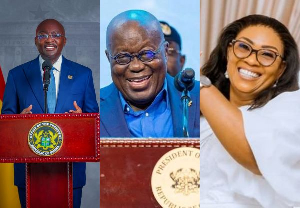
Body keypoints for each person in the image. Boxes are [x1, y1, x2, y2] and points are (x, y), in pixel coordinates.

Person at [200, 14, 300, 207]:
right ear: (229, 52)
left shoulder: (292, 106)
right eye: (244, 47)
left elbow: (255, 153)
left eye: (267, 54)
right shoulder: (199, 117)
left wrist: (199, 84)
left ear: (281, 69)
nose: (252, 61)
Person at [1, 19, 99, 208]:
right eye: (43, 35)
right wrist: (18, 122)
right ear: (35, 41)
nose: (49, 40)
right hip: (29, 171)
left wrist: (82, 119)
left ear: (65, 41)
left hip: (70, 170)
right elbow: (5, 123)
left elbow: (94, 121)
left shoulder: (83, 74)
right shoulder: (17, 75)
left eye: (55, 35)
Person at [100, 10, 199, 138]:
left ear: (165, 51)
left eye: (147, 54)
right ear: (109, 58)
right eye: (122, 57)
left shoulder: (198, 96)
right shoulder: (93, 108)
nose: (136, 66)